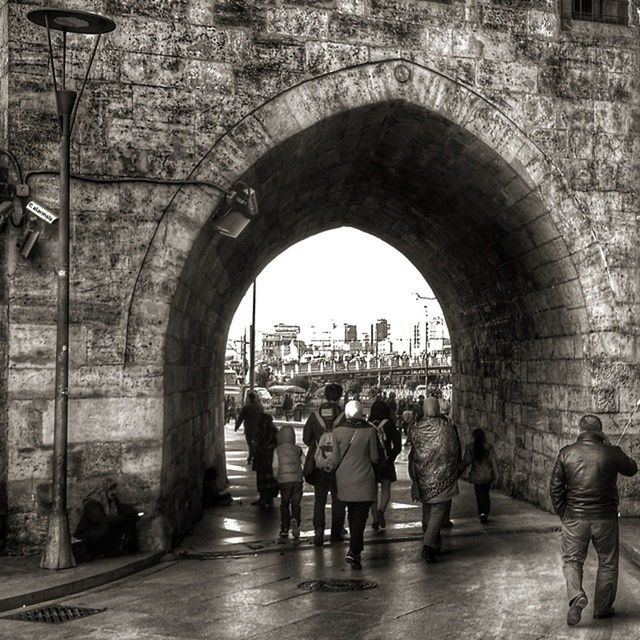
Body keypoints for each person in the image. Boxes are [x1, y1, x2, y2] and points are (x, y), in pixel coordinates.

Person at [550, 414, 637, 626]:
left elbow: (555, 489)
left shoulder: (566, 453)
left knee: (572, 560)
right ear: (600, 432)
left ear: (580, 431)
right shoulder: (610, 452)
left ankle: (576, 595)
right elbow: (632, 468)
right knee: (607, 562)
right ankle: (603, 608)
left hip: (575, 518)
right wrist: (611, 448)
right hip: (605, 519)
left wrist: (565, 514)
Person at [408, 396, 460, 563]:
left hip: (423, 478)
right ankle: (429, 545)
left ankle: (434, 542)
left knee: (428, 510)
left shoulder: (416, 429)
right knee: (438, 511)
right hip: (443, 477)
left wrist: (415, 476)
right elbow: (454, 450)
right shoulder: (447, 427)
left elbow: (414, 454)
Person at [333, 400, 379, 569]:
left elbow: (336, 459)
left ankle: (356, 550)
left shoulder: (337, 431)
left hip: (344, 479)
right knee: (360, 515)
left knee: (352, 514)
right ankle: (354, 551)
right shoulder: (370, 432)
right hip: (365, 479)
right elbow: (374, 458)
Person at [303, 383, 347, 546]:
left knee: (319, 499)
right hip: (339, 464)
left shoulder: (315, 416)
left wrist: (319, 445)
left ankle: (319, 530)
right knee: (338, 498)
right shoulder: (343, 416)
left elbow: (306, 439)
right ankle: (337, 531)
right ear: (340, 396)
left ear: (325, 396)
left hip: (319, 464)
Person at [74, 478, 139, 561]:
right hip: (88, 535)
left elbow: (122, 508)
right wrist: (123, 518)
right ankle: (97, 552)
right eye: (111, 489)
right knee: (106, 526)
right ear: (102, 490)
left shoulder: (112, 502)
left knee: (129, 520)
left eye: (114, 489)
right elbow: (100, 519)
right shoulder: (92, 504)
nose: (114, 492)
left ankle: (129, 549)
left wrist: (132, 513)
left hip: (100, 533)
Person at [368, 400, 402, 531]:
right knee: (386, 489)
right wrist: (391, 457)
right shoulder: (389, 425)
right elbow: (397, 445)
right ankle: (381, 510)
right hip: (386, 462)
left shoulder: (368, 425)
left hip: (372, 462)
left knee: (372, 491)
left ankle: (375, 518)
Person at [459, 428, 498, 523]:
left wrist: (459, 468)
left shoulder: (471, 447)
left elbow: (466, 461)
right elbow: (493, 463)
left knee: (479, 494)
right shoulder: (488, 447)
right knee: (486, 494)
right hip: (488, 475)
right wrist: (496, 475)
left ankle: (482, 513)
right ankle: (486, 511)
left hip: (477, 475)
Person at [272, 424, 304, 540]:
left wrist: (276, 476)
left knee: (285, 503)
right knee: (296, 503)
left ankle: (284, 528)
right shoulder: (298, 449)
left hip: (284, 481)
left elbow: (275, 466)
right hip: (297, 480)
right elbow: (304, 463)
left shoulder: (277, 450)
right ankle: (296, 519)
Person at [251, 410, 279, 507]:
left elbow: (259, 443)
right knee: (269, 479)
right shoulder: (272, 430)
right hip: (269, 459)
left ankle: (264, 498)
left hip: (264, 459)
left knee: (264, 478)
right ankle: (268, 498)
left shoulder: (265, 431)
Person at [235, 391, 262, 464]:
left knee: (250, 442)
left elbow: (241, 417)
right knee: (255, 442)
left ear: (249, 398)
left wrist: (237, 427)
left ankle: (252, 456)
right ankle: (252, 456)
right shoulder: (259, 407)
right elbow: (263, 417)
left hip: (249, 428)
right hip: (258, 428)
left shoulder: (246, 407)